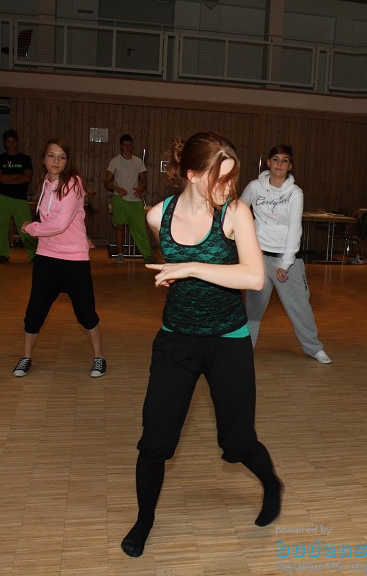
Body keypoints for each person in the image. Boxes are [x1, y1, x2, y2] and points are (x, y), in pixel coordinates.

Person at [121, 132, 281, 559]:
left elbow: (254, 278)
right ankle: (143, 520)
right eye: (220, 180)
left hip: (228, 341)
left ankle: (272, 484)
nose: (228, 188)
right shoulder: (158, 215)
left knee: (239, 442)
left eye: (232, 179)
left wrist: (190, 267)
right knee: (154, 441)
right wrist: (178, 274)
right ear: (191, 174)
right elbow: (173, 266)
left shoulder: (236, 212)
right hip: (177, 339)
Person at [13, 138, 105, 379]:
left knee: (85, 313)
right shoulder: (44, 183)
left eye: (61, 157)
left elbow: (61, 224)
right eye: (51, 156)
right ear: (43, 159)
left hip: (73, 259)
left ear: (67, 161)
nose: (56, 161)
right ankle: (26, 357)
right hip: (46, 256)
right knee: (35, 311)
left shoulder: (73, 184)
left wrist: (30, 228)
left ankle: (99, 357)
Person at [240, 144, 332, 364]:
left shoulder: (295, 193)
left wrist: (286, 262)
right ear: (268, 163)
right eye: (275, 159)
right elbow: (239, 213)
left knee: (300, 306)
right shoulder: (254, 187)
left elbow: (294, 229)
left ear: (290, 165)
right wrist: (244, 248)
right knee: (253, 308)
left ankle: (313, 348)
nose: (279, 164)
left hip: (286, 259)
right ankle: (244, 348)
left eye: (284, 160)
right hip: (259, 256)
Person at [105, 134, 153, 263]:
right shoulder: (115, 161)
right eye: (125, 145)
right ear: (121, 146)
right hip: (120, 199)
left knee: (140, 228)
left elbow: (144, 181)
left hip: (135, 200)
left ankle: (148, 256)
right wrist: (117, 188)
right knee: (119, 227)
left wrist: (140, 188)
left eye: (130, 145)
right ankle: (120, 254)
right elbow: (107, 182)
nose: (128, 148)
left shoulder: (138, 161)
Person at [0, 129, 37, 263]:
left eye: (13, 141)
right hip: (3, 197)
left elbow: (27, 178)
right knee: (1, 227)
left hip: (19, 197)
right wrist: (18, 176)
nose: (11, 144)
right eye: (8, 141)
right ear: (5, 143)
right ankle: (2, 255)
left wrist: (7, 178)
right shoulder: (0, 159)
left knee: (26, 227)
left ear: (17, 142)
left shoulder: (25, 159)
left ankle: (35, 255)